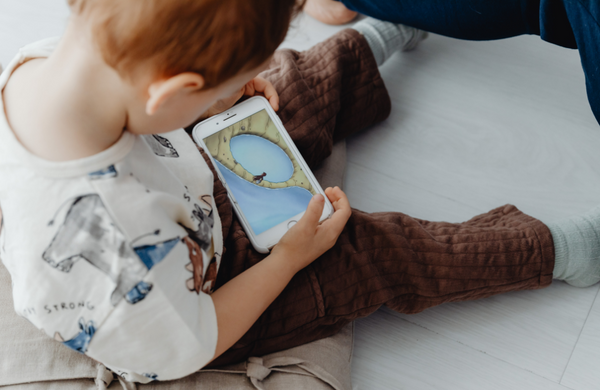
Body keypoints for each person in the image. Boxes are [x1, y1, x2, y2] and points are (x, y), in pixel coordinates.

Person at [0, 0, 597, 384]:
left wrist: (224, 98)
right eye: (212, 88)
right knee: (369, 253)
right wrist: (288, 259)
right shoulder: (118, 265)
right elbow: (195, 342)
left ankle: (377, 41)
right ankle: (561, 251)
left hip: (180, 187)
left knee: (290, 85)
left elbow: (161, 114)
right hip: (203, 297)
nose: (228, 92)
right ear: (171, 89)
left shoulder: (64, 63)